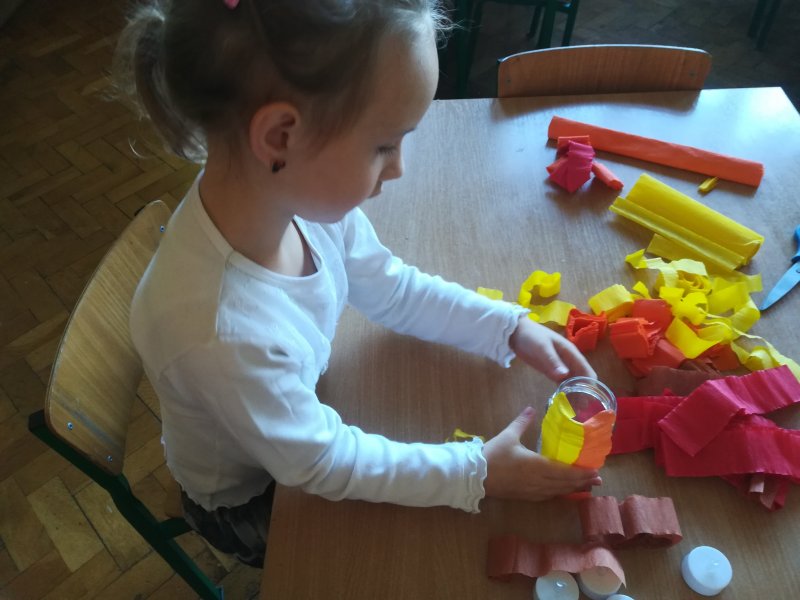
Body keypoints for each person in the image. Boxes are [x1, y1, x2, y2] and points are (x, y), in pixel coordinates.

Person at [115, 0, 601, 568]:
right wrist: (476, 472)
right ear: (280, 137)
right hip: (253, 496)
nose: (399, 168)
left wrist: (507, 327)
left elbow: (392, 289)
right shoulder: (219, 333)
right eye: (384, 145)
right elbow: (322, 463)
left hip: (296, 416)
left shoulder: (292, 199)